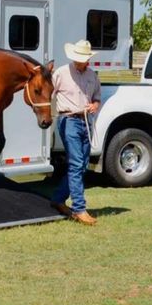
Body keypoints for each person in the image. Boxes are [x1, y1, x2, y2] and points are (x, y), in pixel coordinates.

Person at [50, 39, 101, 225]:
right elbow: (48, 93)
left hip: (86, 121)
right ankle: (79, 208)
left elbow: (97, 98)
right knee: (77, 162)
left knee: (82, 164)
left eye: (84, 58)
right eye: (79, 58)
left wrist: (95, 105)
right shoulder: (61, 73)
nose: (82, 62)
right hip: (69, 120)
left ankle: (57, 199)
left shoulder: (92, 76)